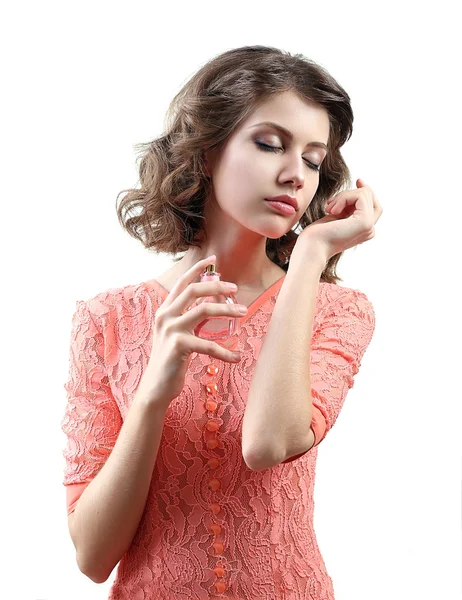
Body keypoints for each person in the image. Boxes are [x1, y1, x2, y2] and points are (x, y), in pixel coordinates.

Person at [61, 45, 383, 599]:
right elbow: (93, 556)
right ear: (206, 150)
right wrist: (151, 396)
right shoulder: (106, 321)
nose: (294, 176)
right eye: (269, 144)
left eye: (312, 159)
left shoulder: (338, 311)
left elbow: (268, 443)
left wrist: (309, 255)